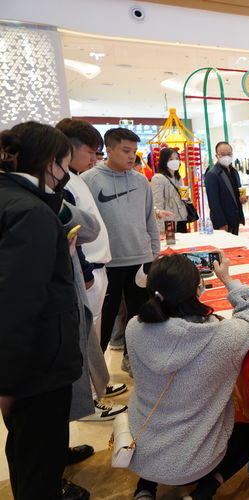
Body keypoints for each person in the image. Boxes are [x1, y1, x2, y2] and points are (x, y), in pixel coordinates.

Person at [126, 252, 249, 500]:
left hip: (141, 452)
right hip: (195, 462)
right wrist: (227, 279)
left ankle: (145, 489)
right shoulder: (222, 336)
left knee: (158, 420)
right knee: (248, 436)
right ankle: (204, 492)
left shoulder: (133, 328)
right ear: (197, 289)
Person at [0, 121, 84, 499]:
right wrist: (8, 380)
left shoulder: (12, 198)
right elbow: (18, 299)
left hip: (27, 362)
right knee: (39, 455)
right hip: (37, 363)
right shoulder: (29, 212)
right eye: (65, 164)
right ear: (51, 163)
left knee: (26, 447)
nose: (66, 173)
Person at [56, 119, 127, 428]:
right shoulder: (63, 182)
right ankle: (92, 399)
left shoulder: (74, 177)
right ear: (69, 148)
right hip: (87, 271)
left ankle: (99, 387)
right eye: (91, 151)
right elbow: (73, 232)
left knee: (93, 336)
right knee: (86, 339)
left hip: (96, 268)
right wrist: (84, 270)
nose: (95, 158)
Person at [81, 128, 160, 375]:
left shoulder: (140, 181)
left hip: (140, 260)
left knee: (140, 319)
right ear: (109, 149)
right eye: (126, 151)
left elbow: (149, 218)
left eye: (134, 151)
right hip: (106, 263)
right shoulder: (89, 180)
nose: (131, 156)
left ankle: (133, 361)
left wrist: (154, 252)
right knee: (103, 321)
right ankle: (95, 377)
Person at [205, 141, 247, 235]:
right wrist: (221, 223)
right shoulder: (212, 174)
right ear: (217, 155)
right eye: (223, 154)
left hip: (234, 219)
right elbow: (213, 202)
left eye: (229, 154)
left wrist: (242, 199)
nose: (226, 156)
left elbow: (236, 193)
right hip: (223, 221)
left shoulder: (234, 172)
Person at [151, 147, 189, 233]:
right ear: (164, 161)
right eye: (171, 159)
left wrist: (186, 196)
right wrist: (160, 229)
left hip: (181, 219)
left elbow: (184, 199)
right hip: (168, 221)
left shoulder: (178, 178)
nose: (175, 161)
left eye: (177, 158)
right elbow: (157, 204)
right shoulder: (158, 178)